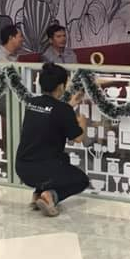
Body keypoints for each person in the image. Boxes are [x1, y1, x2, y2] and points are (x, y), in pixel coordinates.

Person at [15, 62, 88, 216]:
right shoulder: (63, 110)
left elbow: (51, 114)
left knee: (56, 160)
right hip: (44, 170)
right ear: (61, 86)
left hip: (22, 168)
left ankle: (38, 195)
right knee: (81, 180)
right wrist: (83, 123)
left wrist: (70, 105)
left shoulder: (32, 103)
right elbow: (78, 138)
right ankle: (50, 196)